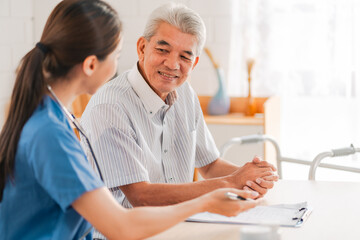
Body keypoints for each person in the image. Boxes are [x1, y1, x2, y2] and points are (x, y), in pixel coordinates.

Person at [0, 1, 259, 239]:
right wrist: (207, 200)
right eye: (116, 55)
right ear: (91, 65)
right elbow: (121, 225)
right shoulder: (50, 133)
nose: (118, 65)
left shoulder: (51, 118)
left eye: (184, 56)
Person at [80, 2, 278, 213]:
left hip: (175, 226)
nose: (173, 64)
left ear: (194, 63)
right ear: (142, 48)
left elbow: (210, 166)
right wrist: (232, 182)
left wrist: (251, 176)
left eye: (185, 56)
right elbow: (141, 196)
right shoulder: (111, 107)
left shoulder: (185, 94)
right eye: (163, 50)